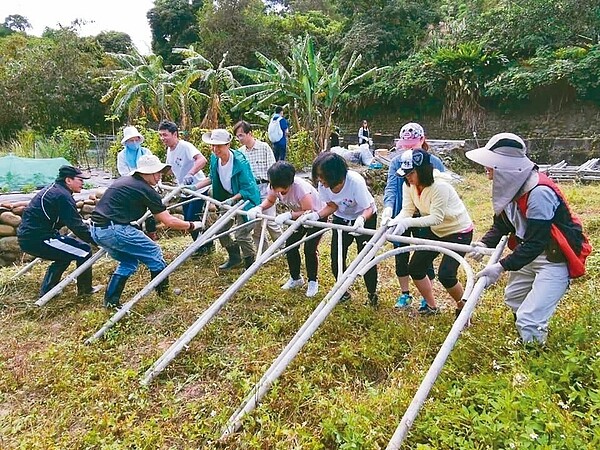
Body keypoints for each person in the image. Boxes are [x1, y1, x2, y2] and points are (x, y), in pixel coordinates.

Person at [466, 133, 591, 345]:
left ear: (505, 167)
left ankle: (534, 357)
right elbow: (503, 224)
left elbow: (537, 241)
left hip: (552, 258)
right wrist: (484, 243)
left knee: (529, 318)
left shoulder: (539, 193)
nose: (486, 169)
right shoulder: (510, 187)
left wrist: (501, 266)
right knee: (514, 297)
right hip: (529, 254)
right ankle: (526, 339)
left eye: (491, 165)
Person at [90, 155, 203, 307]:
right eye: (157, 172)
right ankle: (164, 293)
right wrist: (192, 225)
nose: (159, 176)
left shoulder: (125, 181)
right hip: (114, 229)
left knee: (128, 261)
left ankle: (111, 302)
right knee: (154, 252)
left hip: (97, 230)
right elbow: (168, 221)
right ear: (146, 173)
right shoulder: (145, 189)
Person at [387, 149, 473, 317]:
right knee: (416, 268)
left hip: (458, 231)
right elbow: (407, 210)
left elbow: (436, 218)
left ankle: (463, 307)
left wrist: (407, 223)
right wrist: (394, 221)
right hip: (436, 231)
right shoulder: (409, 185)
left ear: (423, 170)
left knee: (446, 274)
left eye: (411, 173)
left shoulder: (439, 187)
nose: (408, 178)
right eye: (406, 174)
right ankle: (431, 306)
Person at [381, 122, 446, 308]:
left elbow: (442, 189)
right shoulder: (396, 162)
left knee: (424, 255)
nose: (408, 150)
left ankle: (427, 297)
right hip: (403, 212)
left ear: (423, 140)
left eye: (413, 146)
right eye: (405, 146)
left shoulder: (434, 163)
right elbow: (392, 188)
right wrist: (387, 209)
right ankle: (405, 293)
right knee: (400, 253)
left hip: (425, 216)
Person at [17, 165, 102, 299]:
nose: (83, 183)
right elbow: (77, 226)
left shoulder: (55, 190)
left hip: (30, 237)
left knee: (66, 254)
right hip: (39, 238)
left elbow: (69, 219)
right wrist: (98, 240)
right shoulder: (62, 196)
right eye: (80, 179)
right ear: (68, 180)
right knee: (85, 251)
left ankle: (49, 289)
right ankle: (85, 290)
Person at [308, 152, 379, 306]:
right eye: (317, 176)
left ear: (333, 174)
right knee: (337, 256)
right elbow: (332, 205)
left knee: (366, 257)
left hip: (365, 217)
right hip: (342, 218)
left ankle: (372, 294)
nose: (320, 180)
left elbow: (368, 208)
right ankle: (343, 291)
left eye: (322, 175)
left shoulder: (355, 182)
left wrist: (361, 219)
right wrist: (316, 216)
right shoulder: (323, 185)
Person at [247, 161, 326, 297]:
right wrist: (259, 207)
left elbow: (308, 210)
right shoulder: (274, 186)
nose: (278, 192)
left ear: (289, 182)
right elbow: (271, 201)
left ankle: (313, 281)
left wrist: (289, 214)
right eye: (276, 188)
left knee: (310, 248)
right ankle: (296, 278)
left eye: (282, 190)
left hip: (316, 216)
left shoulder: (300, 188)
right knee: (290, 245)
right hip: (298, 217)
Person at [194, 128, 261, 270]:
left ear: (228, 145)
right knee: (220, 229)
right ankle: (234, 257)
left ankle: (250, 263)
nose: (215, 149)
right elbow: (212, 178)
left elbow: (247, 188)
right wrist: (195, 187)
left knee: (241, 233)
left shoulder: (240, 162)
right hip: (226, 198)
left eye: (218, 146)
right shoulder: (215, 159)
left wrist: (233, 199)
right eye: (213, 145)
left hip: (245, 199)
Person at [158, 120, 212, 256]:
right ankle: (204, 245)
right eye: (161, 135)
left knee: (191, 218)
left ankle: (204, 247)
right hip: (184, 189)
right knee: (189, 220)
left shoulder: (185, 146)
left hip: (197, 188)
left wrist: (190, 174)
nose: (162, 138)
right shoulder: (169, 151)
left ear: (175, 134)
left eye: (165, 135)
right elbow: (171, 169)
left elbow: (202, 160)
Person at [234, 120, 282, 252]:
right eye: (237, 136)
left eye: (241, 135)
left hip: (266, 187)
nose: (239, 139)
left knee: (271, 221)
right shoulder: (240, 153)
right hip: (251, 190)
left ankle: (284, 247)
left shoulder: (264, 147)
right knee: (256, 223)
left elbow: (273, 169)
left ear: (250, 133)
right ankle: (263, 250)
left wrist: (274, 189)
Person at [116, 125, 158, 241]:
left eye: (136, 140)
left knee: (149, 213)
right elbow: (124, 172)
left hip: (147, 186)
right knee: (135, 213)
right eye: (131, 140)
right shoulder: (122, 156)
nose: (134, 142)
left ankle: (152, 236)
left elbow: (153, 168)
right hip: (131, 188)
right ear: (126, 142)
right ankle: (138, 238)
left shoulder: (146, 152)